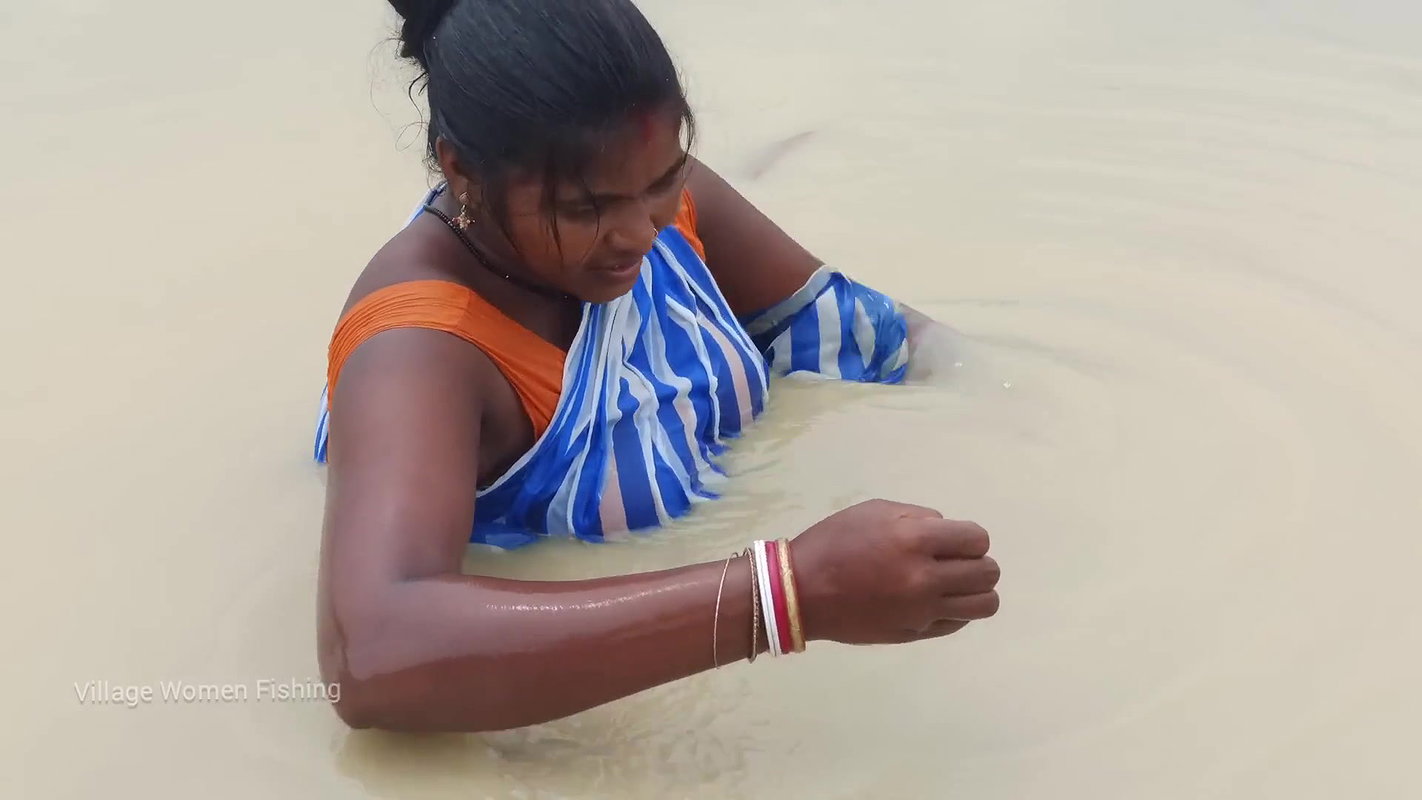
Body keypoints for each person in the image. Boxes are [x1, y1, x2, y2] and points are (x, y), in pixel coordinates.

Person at [314, 0, 1001, 733]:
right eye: (586, 210)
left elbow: (859, 334)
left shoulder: (660, 197)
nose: (641, 231)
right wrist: (789, 593)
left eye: (662, 182)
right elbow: (374, 659)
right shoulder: (423, 350)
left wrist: (1019, 407)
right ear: (463, 170)